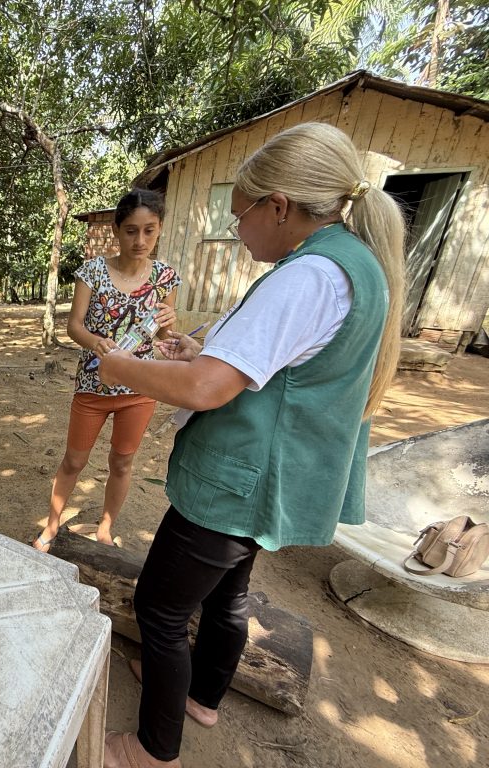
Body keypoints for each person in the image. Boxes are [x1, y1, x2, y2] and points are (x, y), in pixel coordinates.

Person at [97, 122, 405, 768]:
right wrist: (205, 345)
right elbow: (278, 361)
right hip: (270, 479)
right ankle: (201, 696)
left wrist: (124, 368)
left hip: (234, 480)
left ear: (279, 207)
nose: (238, 232)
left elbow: (208, 389)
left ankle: (154, 748)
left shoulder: (308, 276)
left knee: (159, 604)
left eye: (241, 218)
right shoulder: (353, 266)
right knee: (229, 594)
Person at [33, 189, 180, 552]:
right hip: (93, 385)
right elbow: (74, 326)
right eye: (131, 230)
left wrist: (170, 324)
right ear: (117, 230)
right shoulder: (93, 271)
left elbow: (163, 336)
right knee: (74, 460)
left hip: (141, 389)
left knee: (123, 461)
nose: (140, 240)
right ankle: (51, 527)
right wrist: (95, 342)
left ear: (160, 229)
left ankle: (105, 528)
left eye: (149, 230)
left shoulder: (165, 278)